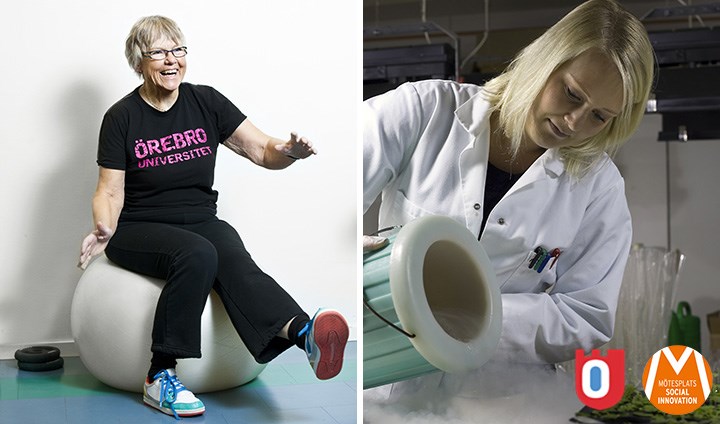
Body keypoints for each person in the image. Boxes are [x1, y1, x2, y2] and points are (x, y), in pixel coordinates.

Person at [78, 15, 349, 419]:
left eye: (178, 50)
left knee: (232, 255)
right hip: (139, 227)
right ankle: (160, 375)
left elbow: (261, 150)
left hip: (200, 217)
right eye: (159, 53)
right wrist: (104, 227)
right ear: (139, 61)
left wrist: (289, 151)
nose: (171, 61)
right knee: (198, 254)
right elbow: (110, 190)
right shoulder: (122, 117)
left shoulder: (206, 101)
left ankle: (304, 333)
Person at [363, 0, 654, 365]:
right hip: (389, 380)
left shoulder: (599, 187)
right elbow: (327, 187)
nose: (574, 122)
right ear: (544, 61)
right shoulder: (424, 110)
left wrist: (474, 316)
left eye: (598, 116)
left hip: (500, 397)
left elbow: (585, 316)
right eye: (572, 94)